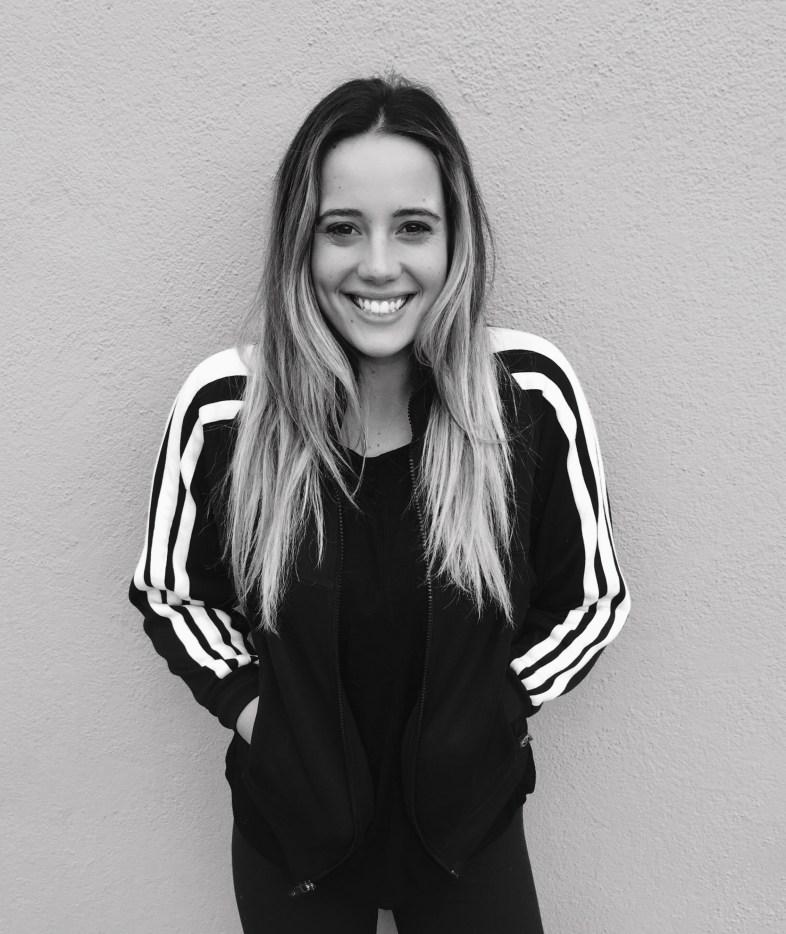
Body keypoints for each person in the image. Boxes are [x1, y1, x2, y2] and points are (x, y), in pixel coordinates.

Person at [129, 74, 630, 934]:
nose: (379, 265)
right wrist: (260, 719)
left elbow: (591, 598)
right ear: (301, 241)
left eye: (413, 227)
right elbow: (174, 595)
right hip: (296, 842)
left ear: (455, 238)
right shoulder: (227, 408)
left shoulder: (528, 396)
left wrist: (493, 715)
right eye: (343, 228)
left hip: (468, 834)